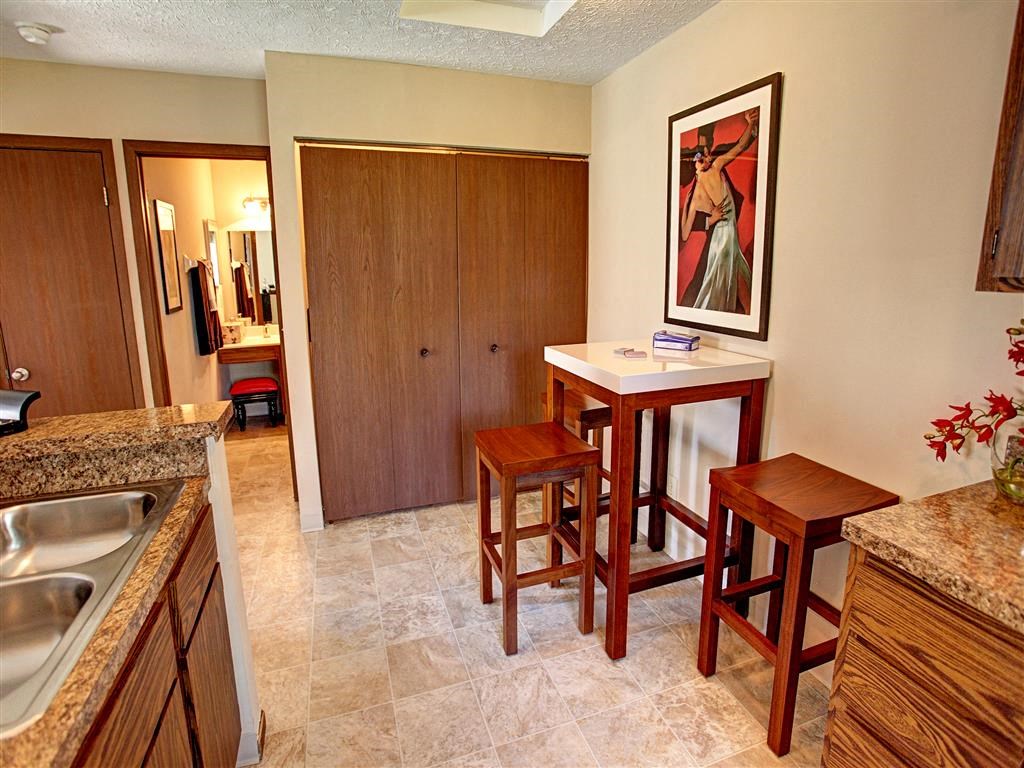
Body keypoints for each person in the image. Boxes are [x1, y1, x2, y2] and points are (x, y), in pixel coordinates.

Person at [680, 108, 759, 313]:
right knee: (725, 275)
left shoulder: (716, 165)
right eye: (700, 155)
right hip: (723, 234)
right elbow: (685, 232)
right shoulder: (695, 195)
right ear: (693, 161)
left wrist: (750, 125)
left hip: (726, 230)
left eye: (706, 153)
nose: (706, 156)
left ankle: (749, 315)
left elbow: (740, 146)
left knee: (734, 272)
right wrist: (710, 221)